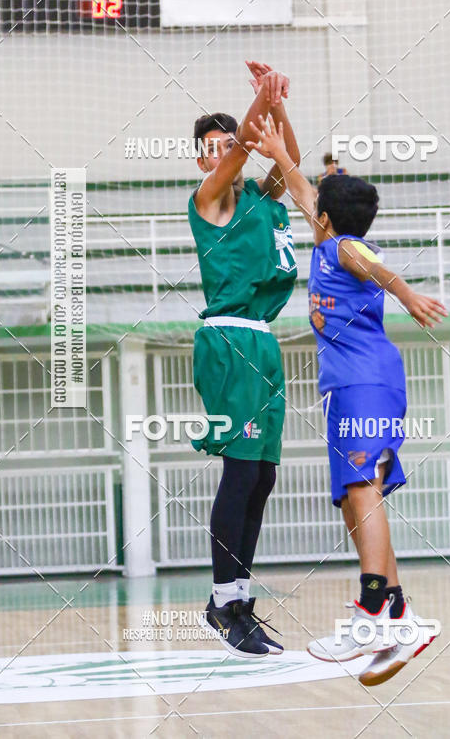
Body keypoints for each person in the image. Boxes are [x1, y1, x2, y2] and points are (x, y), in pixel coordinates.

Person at [246, 114, 447, 685]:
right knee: (357, 499)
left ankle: (369, 616)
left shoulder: (342, 248)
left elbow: (368, 262)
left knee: (364, 492)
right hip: (352, 386)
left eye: (316, 209)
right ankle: (402, 617)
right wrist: (278, 117)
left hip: (363, 383)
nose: (308, 208)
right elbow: (297, 180)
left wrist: (406, 294)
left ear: (326, 220)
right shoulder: (330, 239)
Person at [188, 61, 299, 659]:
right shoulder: (208, 200)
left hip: (263, 339)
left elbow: (290, 158)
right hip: (228, 341)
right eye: (211, 148)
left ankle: (237, 597)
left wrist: (276, 107)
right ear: (202, 160)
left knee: (263, 475)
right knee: (240, 470)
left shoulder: (261, 195)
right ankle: (222, 602)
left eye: (228, 144)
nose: (221, 154)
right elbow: (240, 155)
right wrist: (260, 95)